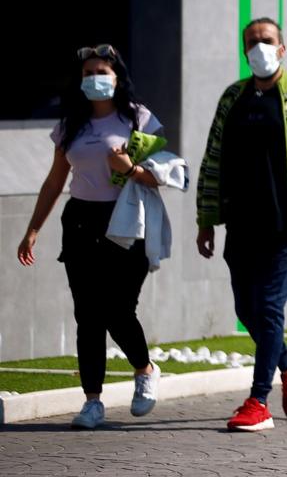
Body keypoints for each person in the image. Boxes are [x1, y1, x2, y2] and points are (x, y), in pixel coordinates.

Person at [196, 17, 287, 432]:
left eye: (266, 41)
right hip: (240, 222)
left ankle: (258, 400)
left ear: (282, 48)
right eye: (251, 43)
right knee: (247, 309)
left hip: (285, 220)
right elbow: (212, 161)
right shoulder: (233, 99)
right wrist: (206, 220)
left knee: (268, 307)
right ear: (244, 51)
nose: (258, 48)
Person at [17, 44, 163, 429]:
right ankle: (92, 401)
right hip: (81, 221)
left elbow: (159, 176)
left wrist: (128, 167)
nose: (95, 78)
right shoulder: (71, 124)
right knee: (88, 316)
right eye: (87, 73)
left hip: (128, 223)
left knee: (119, 309)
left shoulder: (139, 119)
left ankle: (145, 368)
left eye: (102, 71)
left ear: (118, 78)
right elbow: (54, 180)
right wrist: (33, 229)